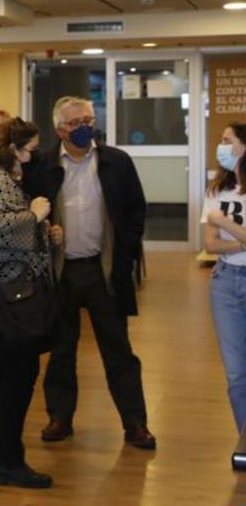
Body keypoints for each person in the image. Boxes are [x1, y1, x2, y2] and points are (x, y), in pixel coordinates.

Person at [23, 96, 155, 449]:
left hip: (103, 271)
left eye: (88, 119)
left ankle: (136, 424)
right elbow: (27, 213)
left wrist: (123, 257)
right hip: (61, 272)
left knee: (119, 350)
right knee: (61, 349)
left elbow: (135, 211)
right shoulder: (43, 166)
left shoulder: (116, 162)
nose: (84, 127)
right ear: (59, 129)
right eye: (76, 122)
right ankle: (60, 417)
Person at [0, 118, 61, 489]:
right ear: (13, 150)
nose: (34, 157)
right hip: (7, 300)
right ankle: (7, 460)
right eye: (30, 150)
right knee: (16, 380)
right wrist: (33, 215)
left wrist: (42, 231)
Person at [202, 122, 246, 433]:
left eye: (227, 140)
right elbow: (210, 244)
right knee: (236, 374)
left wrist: (223, 222)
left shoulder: (221, 206)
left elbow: (219, 231)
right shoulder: (217, 189)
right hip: (226, 281)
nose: (221, 146)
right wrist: (242, 241)